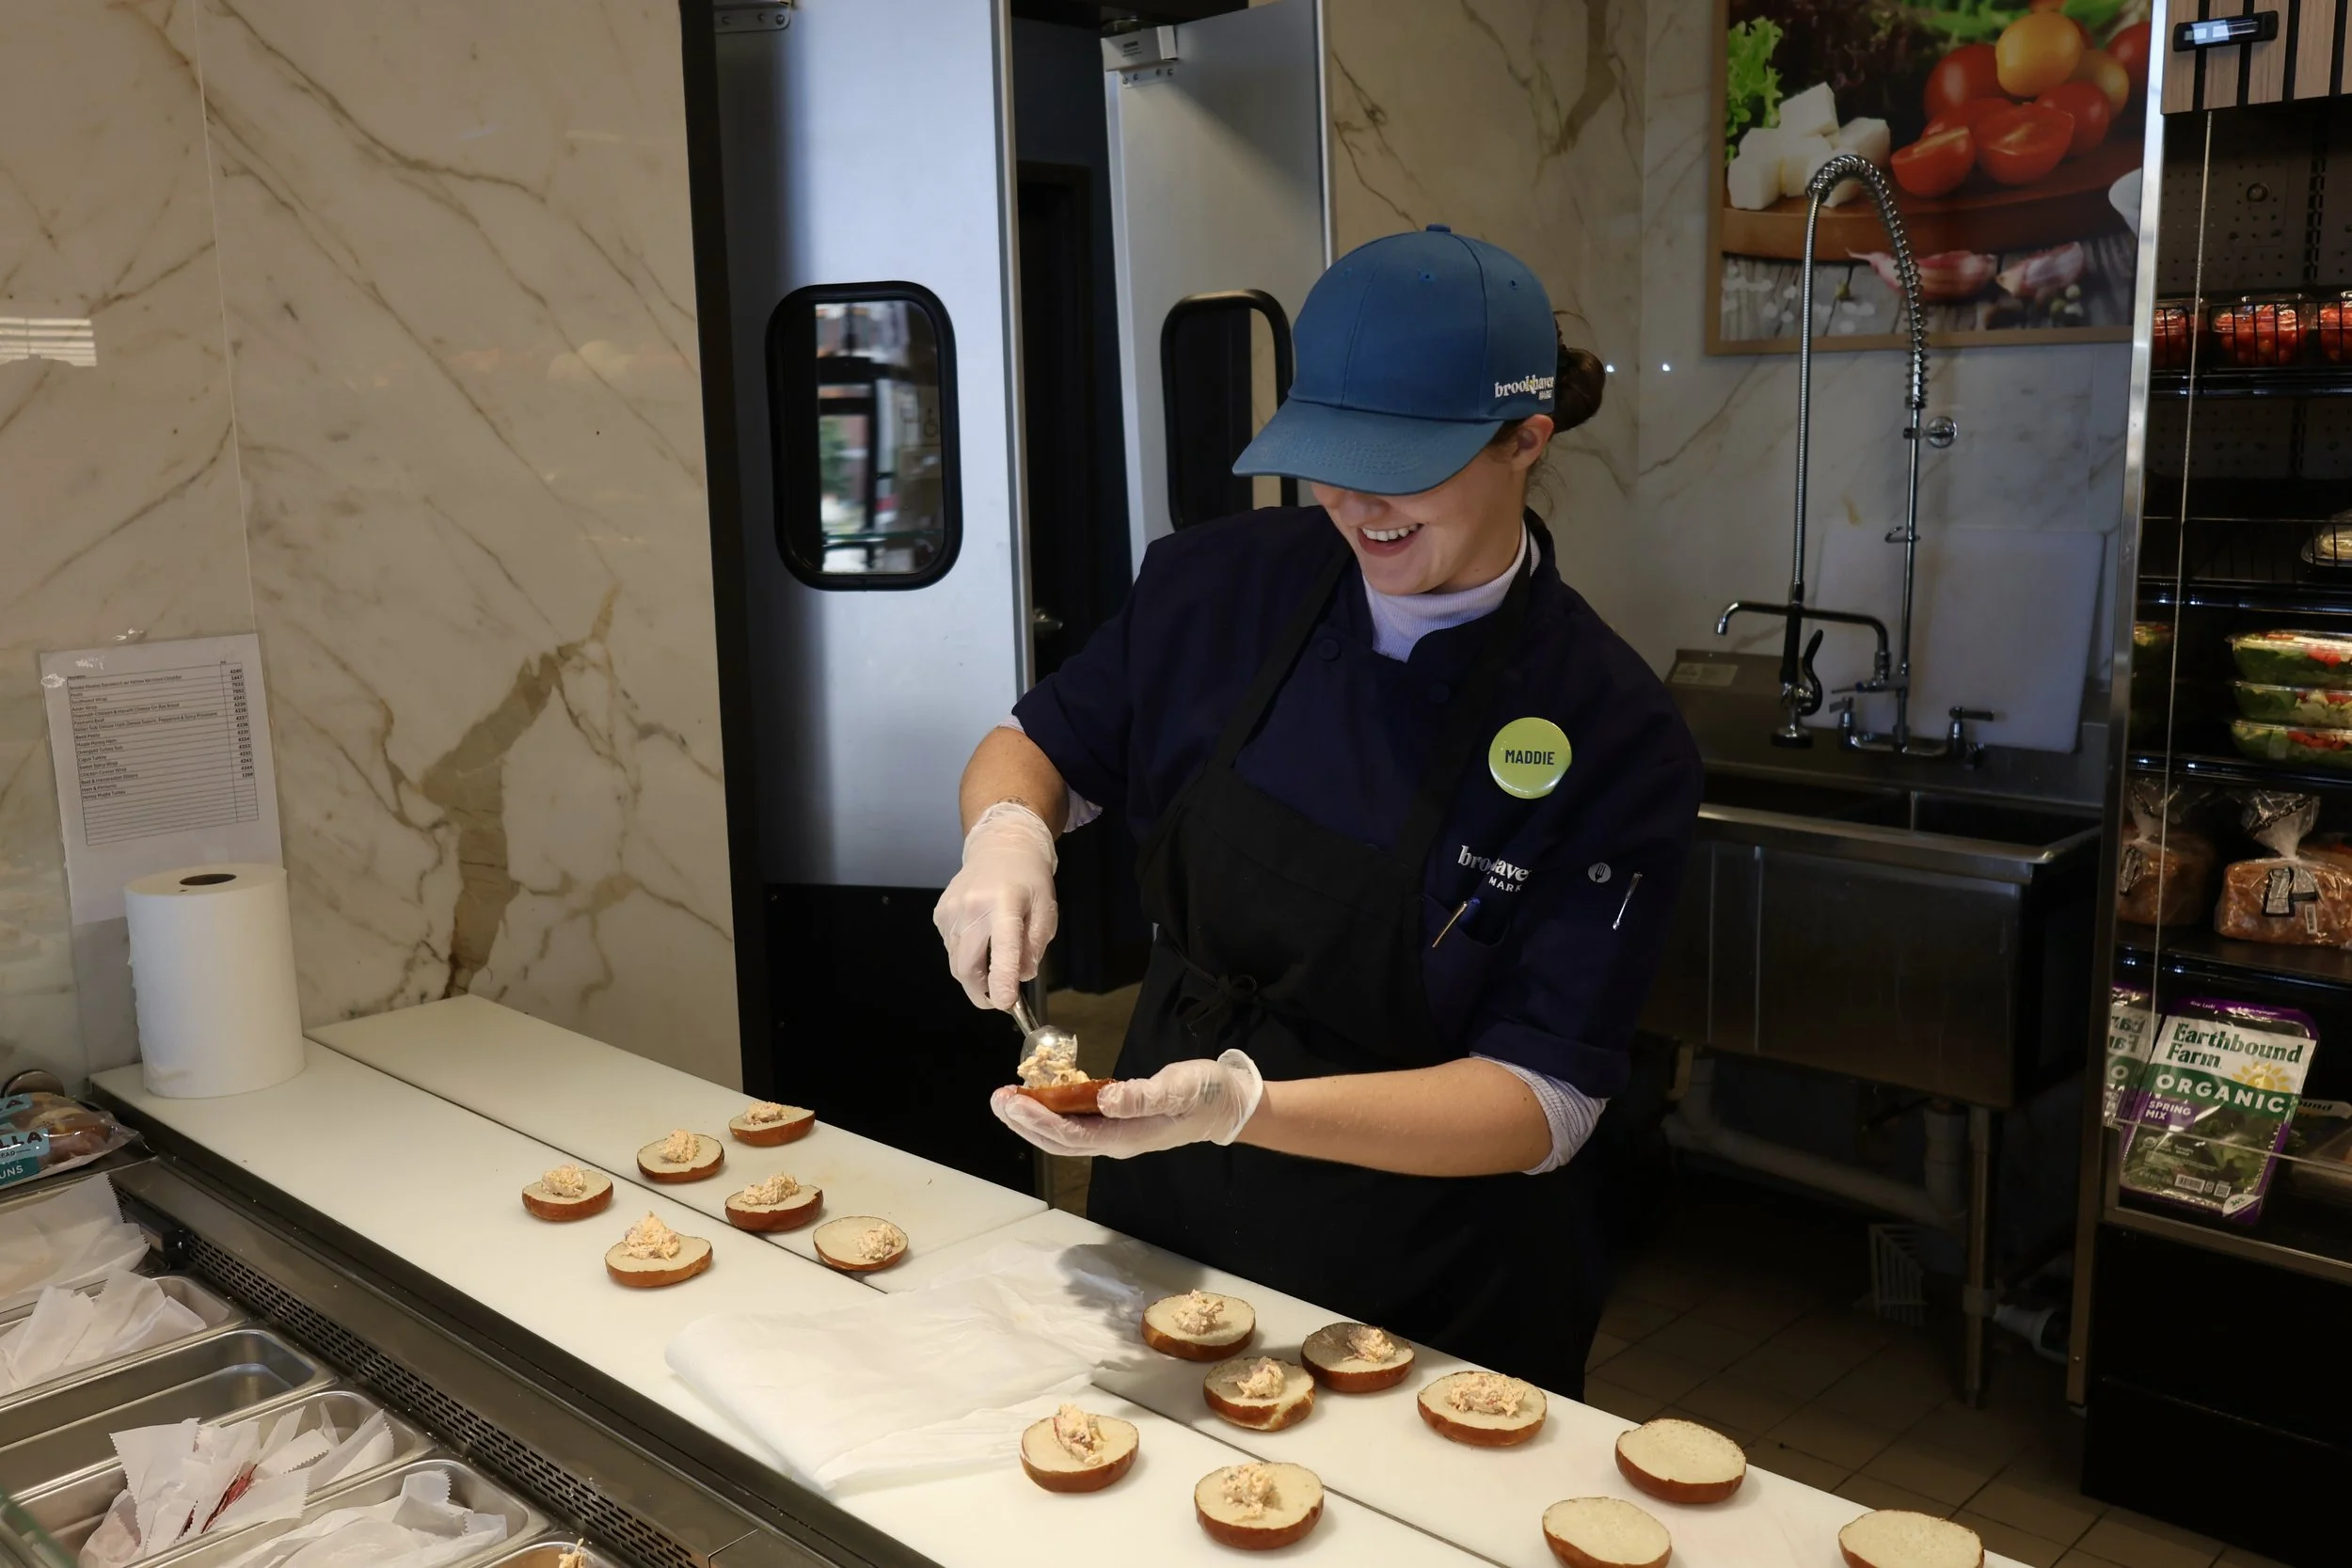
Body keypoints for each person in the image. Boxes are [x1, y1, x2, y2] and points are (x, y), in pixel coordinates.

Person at [932, 225, 1702, 1393]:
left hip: (1435, 1279)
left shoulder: (1612, 730)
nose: (1353, 501)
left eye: (1402, 462)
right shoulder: (1220, 580)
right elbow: (1039, 743)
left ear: (1524, 441)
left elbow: (1544, 1099)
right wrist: (1008, 830)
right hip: (1169, 1211)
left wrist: (1238, 1103)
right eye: (1328, 455)